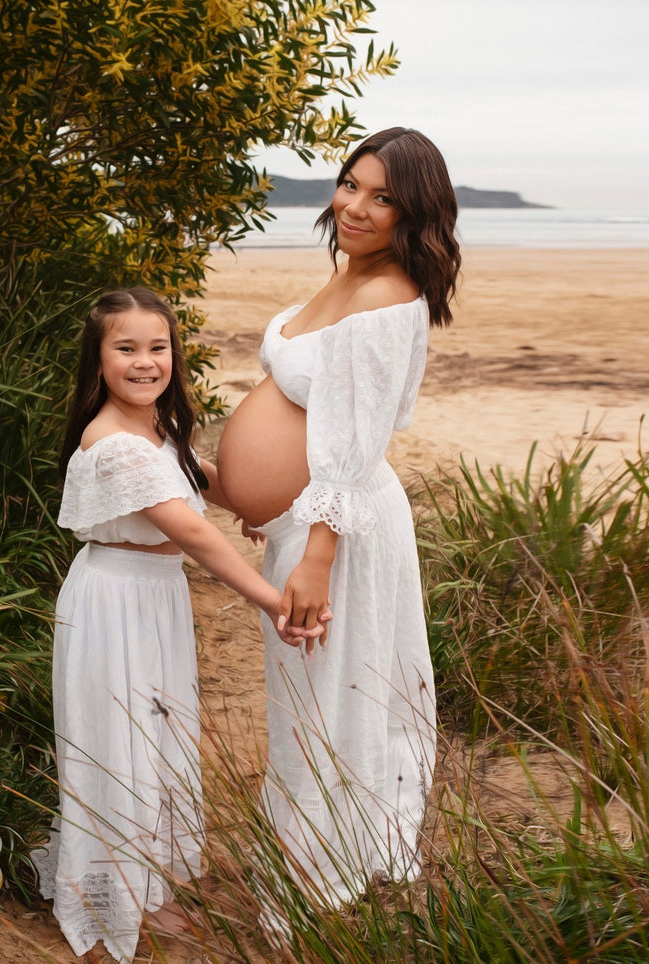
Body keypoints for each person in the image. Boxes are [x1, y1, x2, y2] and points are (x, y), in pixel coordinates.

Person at [216, 128, 461, 913]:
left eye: (383, 197)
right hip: (310, 520)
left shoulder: (390, 297)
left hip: (342, 533)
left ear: (413, 214)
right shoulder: (351, 272)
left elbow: (356, 444)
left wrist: (316, 553)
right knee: (313, 702)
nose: (356, 205)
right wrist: (264, 498)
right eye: (350, 184)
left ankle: (325, 879)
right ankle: (319, 863)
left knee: (333, 700)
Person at [32, 287, 311, 964]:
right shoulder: (112, 442)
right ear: (98, 362)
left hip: (154, 598)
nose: (145, 362)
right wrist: (272, 599)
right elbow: (192, 533)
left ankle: (146, 888)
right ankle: (104, 904)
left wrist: (276, 508)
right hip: (114, 602)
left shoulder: (158, 429)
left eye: (158, 347)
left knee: (156, 741)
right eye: (125, 348)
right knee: (116, 744)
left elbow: (204, 482)